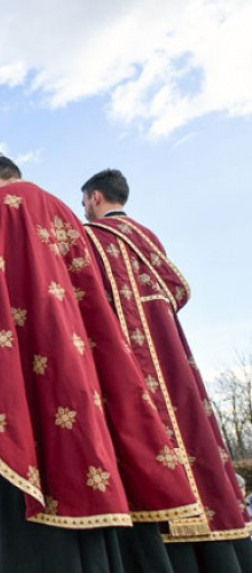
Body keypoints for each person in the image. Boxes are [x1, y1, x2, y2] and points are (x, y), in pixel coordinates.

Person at [0, 152, 201, 572]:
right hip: (80, 367)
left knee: (25, 446)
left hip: (21, 364)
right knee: (85, 462)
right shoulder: (64, 212)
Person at [81, 168, 252, 571]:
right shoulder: (148, 238)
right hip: (174, 358)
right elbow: (178, 289)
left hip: (132, 364)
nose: (84, 207)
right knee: (195, 435)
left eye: (84, 200)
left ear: (95, 198)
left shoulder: (96, 238)